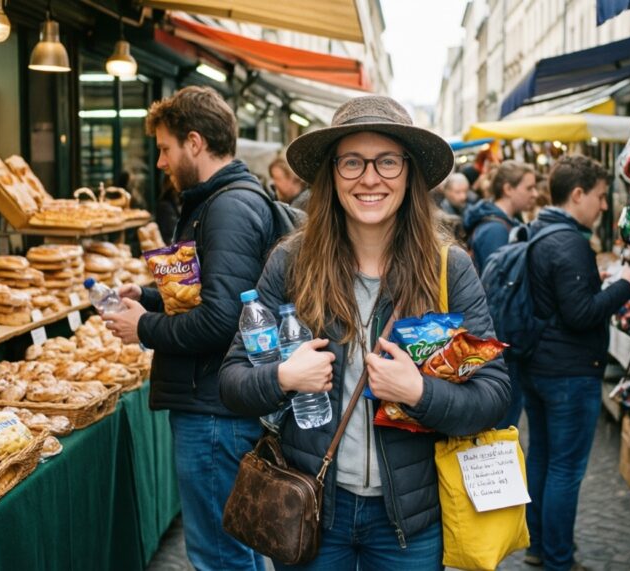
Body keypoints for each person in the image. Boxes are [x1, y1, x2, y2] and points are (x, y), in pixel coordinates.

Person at [218, 95, 510, 570]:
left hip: (410, 524)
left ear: (410, 172)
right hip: (311, 510)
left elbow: (494, 394)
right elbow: (231, 383)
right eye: (352, 162)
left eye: (387, 162)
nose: (369, 178)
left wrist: (420, 391)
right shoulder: (290, 264)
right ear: (331, 175)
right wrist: (283, 377)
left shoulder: (448, 269)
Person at [103, 86, 276, 571]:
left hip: (215, 410)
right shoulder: (217, 202)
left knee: (220, 555)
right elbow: (216, 294)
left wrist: (145, 327)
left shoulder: (226, 208)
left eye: (165, 148)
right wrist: (153, 296)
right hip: (215, 402)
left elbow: (224, 320)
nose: (160, 162)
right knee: (237, 548)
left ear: (194, 142)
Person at [519, 155, 630, 571]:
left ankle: (538, 546)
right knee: (565, 470)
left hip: (539, 365)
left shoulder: (541, 230)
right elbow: (581, 314)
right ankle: (558, 559)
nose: (605, 206)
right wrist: (625, 285)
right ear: (577, 195)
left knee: (541, 458)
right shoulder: (570, 241)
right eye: (601, 196)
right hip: (568, 372)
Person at [462, 160, 538, 274]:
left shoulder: (502, 222)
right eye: (529, 188)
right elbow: (497, 284)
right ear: (508, 189)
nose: (535, 194)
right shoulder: (494, 230)